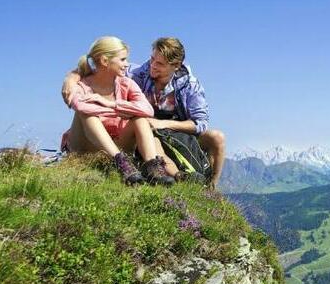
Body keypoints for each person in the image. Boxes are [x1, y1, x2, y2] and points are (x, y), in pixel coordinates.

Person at [62, 37, 225, 187]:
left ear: (176, 66)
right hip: (144, 129)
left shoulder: (190, 86)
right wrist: (71, 77)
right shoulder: (137, 72)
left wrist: (162, 123)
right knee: (148, 131)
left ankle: (211, 188)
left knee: (217, 137)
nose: (152, 65)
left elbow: (200, 123)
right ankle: (170, 173)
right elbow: (98, 66)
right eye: (152, 59)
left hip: (174, 128)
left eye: (160, 64)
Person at [62, 36, 175, 186]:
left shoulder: (126, 83)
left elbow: (147, 110)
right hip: (85, 147)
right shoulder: (81, 85)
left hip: (117, 144)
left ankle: (152, 169)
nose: (126, 64)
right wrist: (124, 111)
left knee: (140, 119)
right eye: (122, 60)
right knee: (87, 115)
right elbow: (81, 106)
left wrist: (112, 104)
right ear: (104, 61)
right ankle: (120, 161)